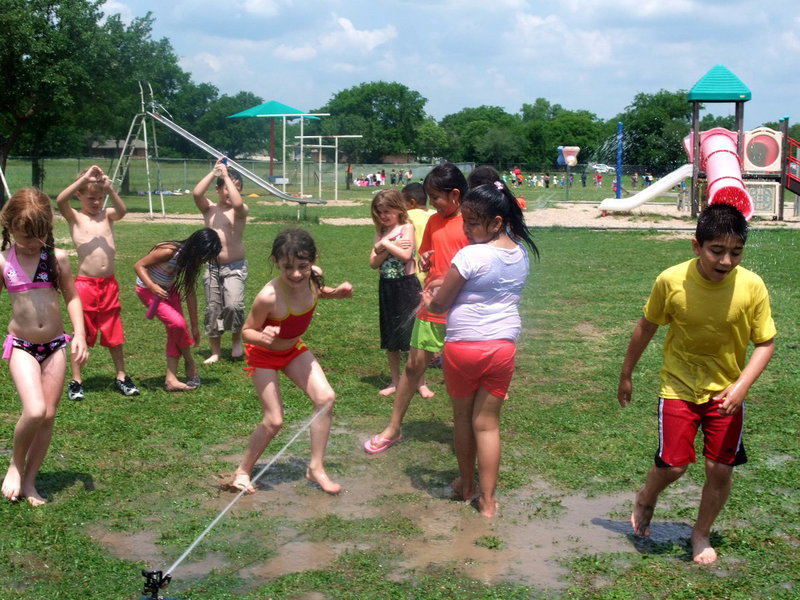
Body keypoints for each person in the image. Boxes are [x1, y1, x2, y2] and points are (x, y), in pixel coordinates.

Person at [617, 203, 776, 564]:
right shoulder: (671, 280)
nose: (725, 262)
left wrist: (741, 387)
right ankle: (647, 495)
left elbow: (765, 343)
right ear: (696, 246)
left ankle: (700, 533)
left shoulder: (752, 285)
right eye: (716, 251)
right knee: (673, 465)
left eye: (735, 252)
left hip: (726, 392)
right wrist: (626, 374)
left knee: (720, 468)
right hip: (678, 385)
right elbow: (646, 327)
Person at [422, 180, 538, 517]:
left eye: (473, 222)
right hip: (501, 349)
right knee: (487, 424)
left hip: (463, 348)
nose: (467, 229)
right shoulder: (519, 253)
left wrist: (431, 295)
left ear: (496, 222)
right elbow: (488, 286)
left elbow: (442, 305)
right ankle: (488, 502)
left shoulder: (470, 254)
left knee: (463, 419)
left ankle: (467, 485)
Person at [231, 228, 353, 495]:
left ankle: (316, 468)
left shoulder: (314, 276)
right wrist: (263, 337)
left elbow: (319, 292)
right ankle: (242, 471)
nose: (296, 274)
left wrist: (337, 293)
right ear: (276, 262)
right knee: (274, 420)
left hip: (293, 349)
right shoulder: (269, 296)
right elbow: (247, 331)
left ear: (313, 260)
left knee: (326, 398)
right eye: (288, 267)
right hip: (265, 355)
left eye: (302, 266)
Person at [363, 162, 469, 454]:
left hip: (464, 307)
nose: (431, 203)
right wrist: (426, 261)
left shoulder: (473, 222)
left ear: (456, 195)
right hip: (431, 304)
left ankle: (468, 430)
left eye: (436, 197)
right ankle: (393, 428)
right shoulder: (434, 221)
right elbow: (427, 254)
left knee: (461, 370)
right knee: (413, 366)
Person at [0, 188, 88, 505]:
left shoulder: (56, 258)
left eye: (38, 237)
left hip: (54, 346)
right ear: (8, 226)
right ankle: (14, 465)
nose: (31, 243)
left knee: (48, 416)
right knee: (34, 410)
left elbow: (72, 297)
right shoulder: (3, 261)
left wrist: (78, 333)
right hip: (22, 346)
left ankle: (30, 481)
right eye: (24, 236)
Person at [56, 165, 139, 400]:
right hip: (85, 285)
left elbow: (122, 210)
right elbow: (61, 200)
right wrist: (84, 178)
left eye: (99, 198)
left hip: (109, 284)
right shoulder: (75, 216)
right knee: (81, 331)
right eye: (91, 198)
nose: (96, 203)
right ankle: (76, 380)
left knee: (114, 330)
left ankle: (121, 376)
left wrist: (109, 188)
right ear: (80, 195)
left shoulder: (107, 215)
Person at [134, 228, 222, 392]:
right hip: (148, 290)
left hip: (169, 291)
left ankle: (171, 379)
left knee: (175, 330)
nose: (204, 261)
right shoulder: (169, 251)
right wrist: (152, 286)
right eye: (204, 256)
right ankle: (190, 362)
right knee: (178, 324)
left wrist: (195, 326)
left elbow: (190, 293)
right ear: (196, 247)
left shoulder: (190, 260)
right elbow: (139, 265)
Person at [192, 159, 249, 365]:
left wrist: (227, 177)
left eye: (236, 188)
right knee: (213, 308)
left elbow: (238, 203)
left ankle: (235, 340)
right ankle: (215, 351)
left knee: (234, 305)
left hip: (235, 266)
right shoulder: (209, 209)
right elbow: (197, 193)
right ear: (217, 190)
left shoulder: (239, 211)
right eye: (226, 188)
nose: (231, 192)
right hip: (213, 266)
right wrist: (214, 173)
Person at [369, 189, 423, 396]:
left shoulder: (406, 227)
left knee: (412, 336)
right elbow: (373, 262)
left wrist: (384, 246)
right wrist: (387, 244)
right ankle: (395, 381)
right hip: (387, 286)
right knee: (391, 337)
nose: (383, 216)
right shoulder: (381, 232)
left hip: (406, 285)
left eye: (387, 211)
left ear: (399, 210)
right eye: (379, 212)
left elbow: (405, 255)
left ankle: (420, 381)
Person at [401, 182, 435, 288]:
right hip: (434, 275)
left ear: (412, 203)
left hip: (413, 274)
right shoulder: (436, 215)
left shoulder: (406, 217)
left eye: (403, 203)